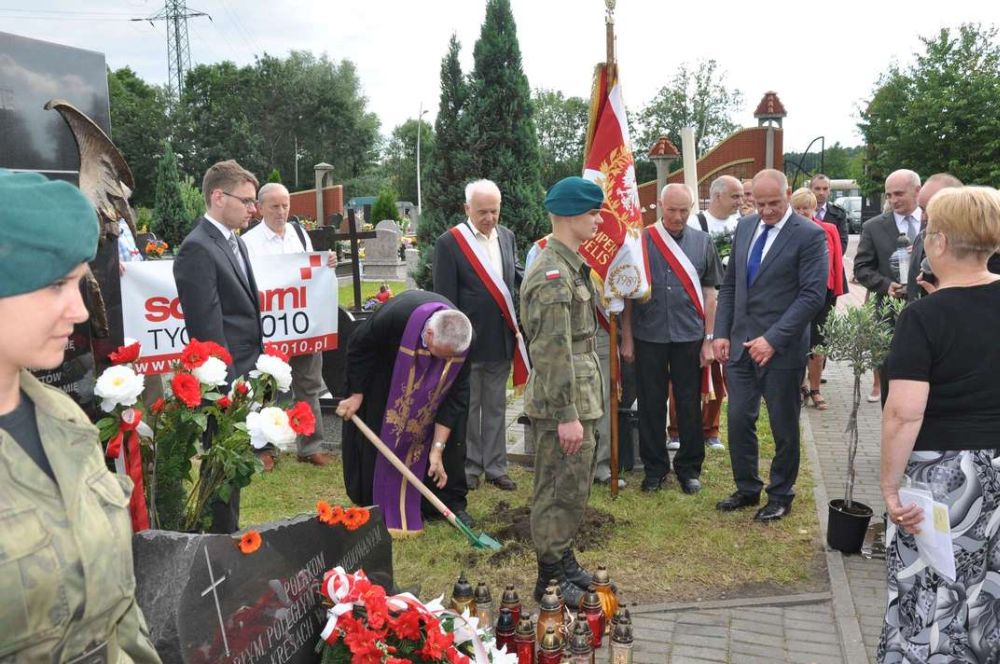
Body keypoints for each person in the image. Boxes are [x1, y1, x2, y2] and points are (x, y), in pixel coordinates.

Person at [0, 169, 161, 662]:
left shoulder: (65, 421)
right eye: (55, 285)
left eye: (80, 282)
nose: (80, 310)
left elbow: (119, 617)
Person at [878, 186, 1000, 662]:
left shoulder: (923, 318)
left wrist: (890, 489)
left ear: (941, 243)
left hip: (945, 477)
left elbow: (904, 412)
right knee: (988, 591)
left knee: (930, 594)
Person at [712, 169, 828, 522]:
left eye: (773, 203)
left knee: (783, 425)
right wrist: (721, 332)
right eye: (758, 203)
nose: (765, 211)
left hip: (782, 349)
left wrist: (773, 339)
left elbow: (811, 296)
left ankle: (781, 494)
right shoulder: (746, 227)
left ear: (788, 193)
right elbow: (731, 286)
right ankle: (747, 488)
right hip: (741, 345)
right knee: (738, 418)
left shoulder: (809, 235)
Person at [521, 176, 605, 606]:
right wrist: (567, 413)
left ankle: (563, 557)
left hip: (581, 393)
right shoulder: (552, 275)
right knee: (556, 488)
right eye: (592, 212)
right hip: (564, 401)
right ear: (570, 214)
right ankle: (549, 577)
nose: (598, 219)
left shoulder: (569, 264)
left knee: (572, 487)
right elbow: (551, 352)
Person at [173, 159, 264, 532]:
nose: (253, 208)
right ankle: (220, 540)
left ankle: (226, 533)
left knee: (232, 464)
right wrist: (228, 388)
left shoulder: (234, 242)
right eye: (246, 200)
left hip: (244, 371)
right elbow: (207, 330)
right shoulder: (198, 248)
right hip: (223, 379)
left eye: (253, 201)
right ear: (217, 196)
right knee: (220, 464)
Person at [337, 290, 474, 531]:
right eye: (438, 355)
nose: (443, 361)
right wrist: (356, 394)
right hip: (389, 372)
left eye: (449, 358)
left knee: (448, 434)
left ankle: (445, 502)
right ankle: (373, 498)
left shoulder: (462, 340)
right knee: (384, 423)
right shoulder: (394, 317)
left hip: (438, 389)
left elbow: (456, 397)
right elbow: (359, 346)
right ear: (429, 334)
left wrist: (437, 450)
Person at [623, 184, 722, 494]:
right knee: (651, 404)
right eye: (672, 210)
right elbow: (627, 294)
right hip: (648, 335)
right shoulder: (639, 242)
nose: (678, 217)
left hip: (689, 336)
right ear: (659, 206)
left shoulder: (703, 242)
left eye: (684, 210)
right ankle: (654, 469)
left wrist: (708, 339)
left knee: (689, 403)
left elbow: (710, 294)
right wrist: (626, 338)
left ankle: (689, 468)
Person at [433, 179, 525, 492]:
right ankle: (470, 466)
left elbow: (514, 280)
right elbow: (444, 299)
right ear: (467, 209)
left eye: (494, 211)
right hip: (467, 343)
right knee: (470, 408)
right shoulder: (450, 243)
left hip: (500, 338)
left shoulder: (508, 237)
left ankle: (497, 467)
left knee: (497, 404)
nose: (489, 218)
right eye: (482, 211)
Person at [242, 182, 336, 467]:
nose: (281, 212)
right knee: (265, 389)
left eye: (285, 206)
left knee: (309, 384)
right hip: (270, 329)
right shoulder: (248, 243)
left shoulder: (298, 234)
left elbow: (309, 272)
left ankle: (310, 446)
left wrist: (326, 262)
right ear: (259, 209)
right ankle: (263, 450)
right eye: (274, 206)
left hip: (302, 326)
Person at [675, 174, 742, 452]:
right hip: (700, 303)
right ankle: (676, 427)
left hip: (733, 304)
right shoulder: (694, 223)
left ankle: (711, 428)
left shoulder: (744, 224)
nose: (741, 201)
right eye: (735, 196)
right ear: (717, 196)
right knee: (689, 367)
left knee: (722, 365)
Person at [854, 169, 922, 405]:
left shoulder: (934, 221)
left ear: (918, 191)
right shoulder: (874, 227)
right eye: (889, 195)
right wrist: (885, 285)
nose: (893, 200)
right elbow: (861, 268)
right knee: (890, 374)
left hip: (930, 310)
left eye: (899, 194)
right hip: (889, 314)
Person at [790, 188, 845, 410]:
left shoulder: (829, 229)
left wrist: (836, 292)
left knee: (818, 344)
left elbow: (837, 263)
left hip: (824, 294)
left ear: (815, 209)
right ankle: (800, 386)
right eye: (798, 208)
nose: (802, 212)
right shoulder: (788, 232)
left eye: (806, 207)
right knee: (796, 342)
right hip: (795, 296)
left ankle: (815, 389)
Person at [906, 173, 964, 301]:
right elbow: (913, 290)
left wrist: (942, 302)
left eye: (932, 208)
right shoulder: (921, 239)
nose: (924, 216)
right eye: (922, 209)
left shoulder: (981, 248)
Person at [810, 174, 849, 255]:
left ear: (829, 191)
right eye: (817, 188)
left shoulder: (839, 214)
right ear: (810, 190)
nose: (821, 192)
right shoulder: (801, 212)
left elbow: (842, 244)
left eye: (825, 189)